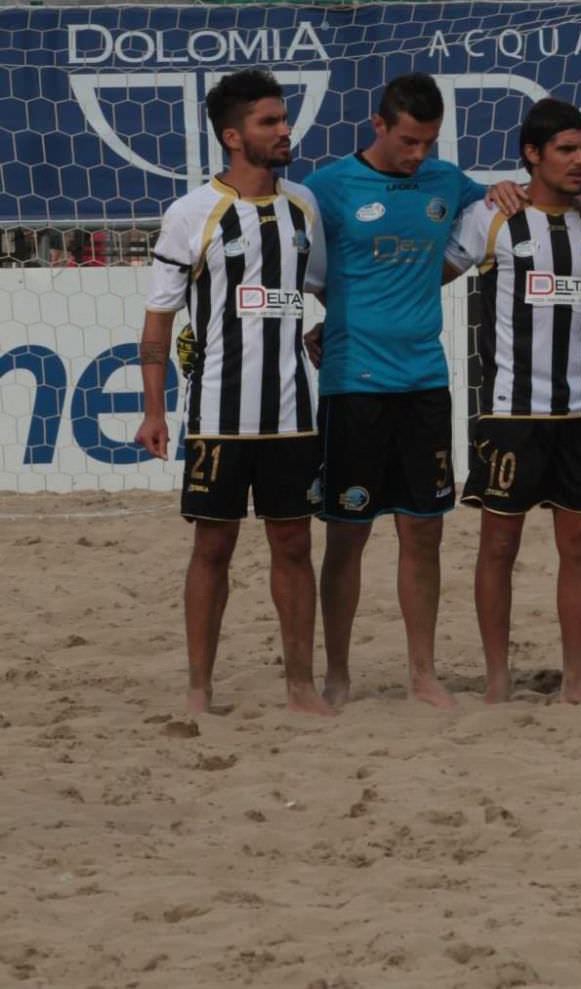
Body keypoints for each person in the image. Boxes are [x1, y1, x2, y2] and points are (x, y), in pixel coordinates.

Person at [306, 73, 531, 709]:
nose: (418, 155)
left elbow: (483, 207)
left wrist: (502, 189)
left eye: (429, 142)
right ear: (378, 126)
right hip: (354, 382)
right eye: (408, 141)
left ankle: (422, 672)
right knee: (347, 533)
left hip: (426, 380)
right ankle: (339, 672)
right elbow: (305, 266)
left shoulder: (444, 181)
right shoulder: (328, 187)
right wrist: (332, 316)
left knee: (423, 532)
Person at [134, 69, 332, 717]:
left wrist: (329, 326)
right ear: (232, 135)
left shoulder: (303, 205)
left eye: (283, 118)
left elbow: (325, 287)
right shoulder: (192, 212)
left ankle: (300, 685)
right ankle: (199, 687)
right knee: (212, 546)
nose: (284, 130)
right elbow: (159, 319)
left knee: (294, 547)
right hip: (218, 414)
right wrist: (155, 409)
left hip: (292, 414)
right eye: (268, 122)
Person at [446, 99, 581, 704]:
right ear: (533, 155)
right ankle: (497, 679)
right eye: (566, 150)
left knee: (579, 547)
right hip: (511, 412)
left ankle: (574, 678)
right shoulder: (491, 218)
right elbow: (427, 278)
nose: (579, 161)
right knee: (498, 546)